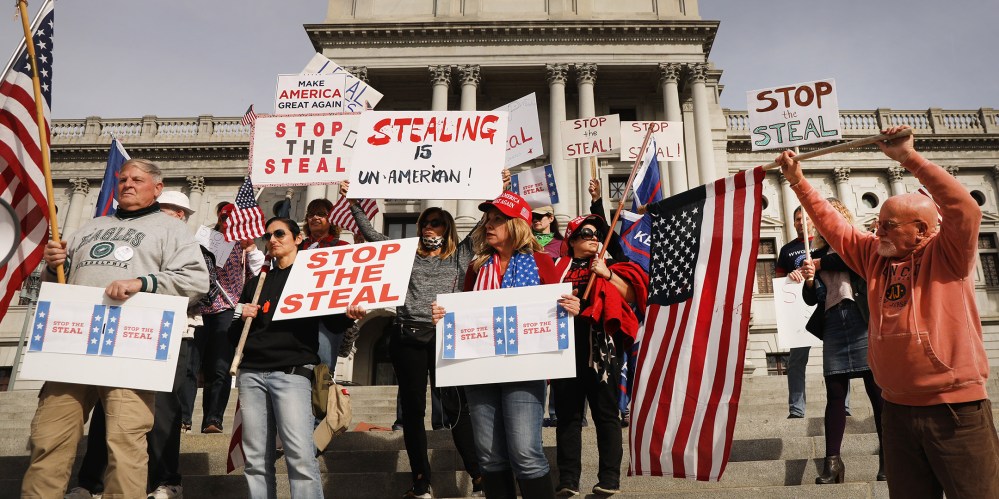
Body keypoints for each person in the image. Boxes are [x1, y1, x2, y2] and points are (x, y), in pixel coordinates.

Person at [777, 125, 999, 498]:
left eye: (889, 226)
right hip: (896, 410)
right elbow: (836, 228)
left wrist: (908, 158)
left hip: (955, 410)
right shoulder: (874, 259)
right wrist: (798, 181)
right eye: (878, 224)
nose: (876, 231)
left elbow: (965, 208)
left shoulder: (948, 256)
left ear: (923, 231)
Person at [22, 159, 209, 498]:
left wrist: (142, 282)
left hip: (131, 349)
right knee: (49, 439)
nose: (127, 184)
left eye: (137, 179)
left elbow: (196, 281)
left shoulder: (171, 229)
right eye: (123, 179)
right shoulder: (88, 228)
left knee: (126, 443)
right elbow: (59, 285)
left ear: (157, 188)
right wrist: (52, 268)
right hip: (73, 345)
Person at [432, 191, 581, 499]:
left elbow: (556, 308)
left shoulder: (540, 261)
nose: (489, 224)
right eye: (488, 218)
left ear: (517, 225)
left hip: (525, 370)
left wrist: (570, 307)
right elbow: (466, 313)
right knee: (489, 456)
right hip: (480, 373)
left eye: (498, 219)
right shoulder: (476, 266)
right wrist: (444, 315)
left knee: (525, 452)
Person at [341, 181, 484, 499]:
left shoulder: (460, 256)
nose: (430, 227)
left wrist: (498, 190)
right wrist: (352, 201)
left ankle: (478, 475)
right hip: (408, 338)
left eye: (437, 222)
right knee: (413, 412)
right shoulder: (404, 254)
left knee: (456, 409)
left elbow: (483, 224)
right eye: (426, 222)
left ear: (447, 228)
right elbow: (371, 235)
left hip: (446, 339)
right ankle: (422, 480)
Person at [231, 216, 363, 498]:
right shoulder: (256, 282)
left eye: (279, 234)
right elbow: (233, 336)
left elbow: (334, 322)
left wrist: (349, 315)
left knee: (300, 456)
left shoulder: (313, 278)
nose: (273, 240)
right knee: (255, 460)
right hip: (252, 373)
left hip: (292, 373)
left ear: (298, 239)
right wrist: (239, 315)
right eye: (268, 236)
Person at [551, 215, 647, 497]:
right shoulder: (556, 267)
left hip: (600, 349)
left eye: (596, 233)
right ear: (571, 239)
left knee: (606, 414)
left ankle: (609, 478)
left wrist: (607, 274)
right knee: (568, 416)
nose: (594, 236)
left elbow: (632, 295)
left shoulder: (612, 265)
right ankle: (568, 480)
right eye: (586, 233)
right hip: (565, 347)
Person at [797, 199, 885, 484]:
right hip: (834, 322)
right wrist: (810, 279)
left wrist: (820, 262)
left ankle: (889, 459)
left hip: (862, 320)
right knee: (835, 393)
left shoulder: (857, 244)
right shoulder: (816, 253)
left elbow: (848, 258)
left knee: (878, 394)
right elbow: (812, 298)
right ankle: (832, 462)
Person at [182, 202, 264, 435]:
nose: (227, 222)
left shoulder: (244, 247)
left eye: (232, 218)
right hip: (198, 309)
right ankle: (183, 419)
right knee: (190, 366)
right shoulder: (204, 240)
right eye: (224, 217)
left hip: (228, 310)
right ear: (219, 217)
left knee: (219, 368)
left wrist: (251, 249)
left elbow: (256, 275)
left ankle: (213, 419)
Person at [299, 198, 351, 374]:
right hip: (298, 313)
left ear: (331, 219)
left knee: (324, 366)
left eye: (321, 214)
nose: (315, 217)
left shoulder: (343, 247)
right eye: (311, 214)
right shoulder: (298, 247)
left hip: (328, 316)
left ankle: (321, 401)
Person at [775, 206, 818, 419]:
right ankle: (796, 408)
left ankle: (844, 408)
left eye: (805, 219)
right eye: (798, 219)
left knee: (835, 360)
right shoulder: (786, 250)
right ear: (794, 223)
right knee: (796, 361)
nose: (801, 222)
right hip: (799, 310)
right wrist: (791, 276)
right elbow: (779, 280)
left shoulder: (822, 243)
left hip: (825, 303)